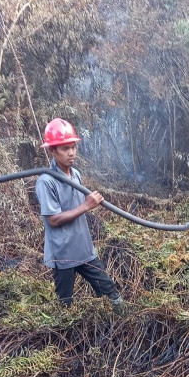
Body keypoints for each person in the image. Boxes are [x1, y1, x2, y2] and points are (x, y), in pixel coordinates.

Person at [35, 118, 125, 314]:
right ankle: (64, 339)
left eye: (73, 147)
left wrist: (91, 202)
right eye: (65, 148)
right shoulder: (46, 181)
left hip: (84, 249)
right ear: (52, 150)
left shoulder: (75, 174)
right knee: (64, 305)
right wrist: (86, 205)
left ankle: (120, 325)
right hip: (63, 254)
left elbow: (80, 204)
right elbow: (53, 219)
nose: (71, 153)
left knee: (109, 290)